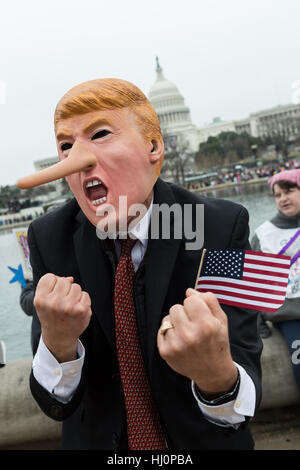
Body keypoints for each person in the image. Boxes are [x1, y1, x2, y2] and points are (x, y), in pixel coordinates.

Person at [25, 78, 262, 450]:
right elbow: (54, 404)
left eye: (100, 133)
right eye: (66, 146)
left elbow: (244, 389)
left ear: (153, 146)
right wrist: (57, 343)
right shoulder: (49, 237)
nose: (78, 158)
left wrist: (214, 373)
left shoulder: (219, 226)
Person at [251, 169, 300, 390]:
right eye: (278, 194)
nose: (283, 199)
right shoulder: (264, 234)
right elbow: (253, 283)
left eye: (289, 191)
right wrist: (259, 323)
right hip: (289, 315)